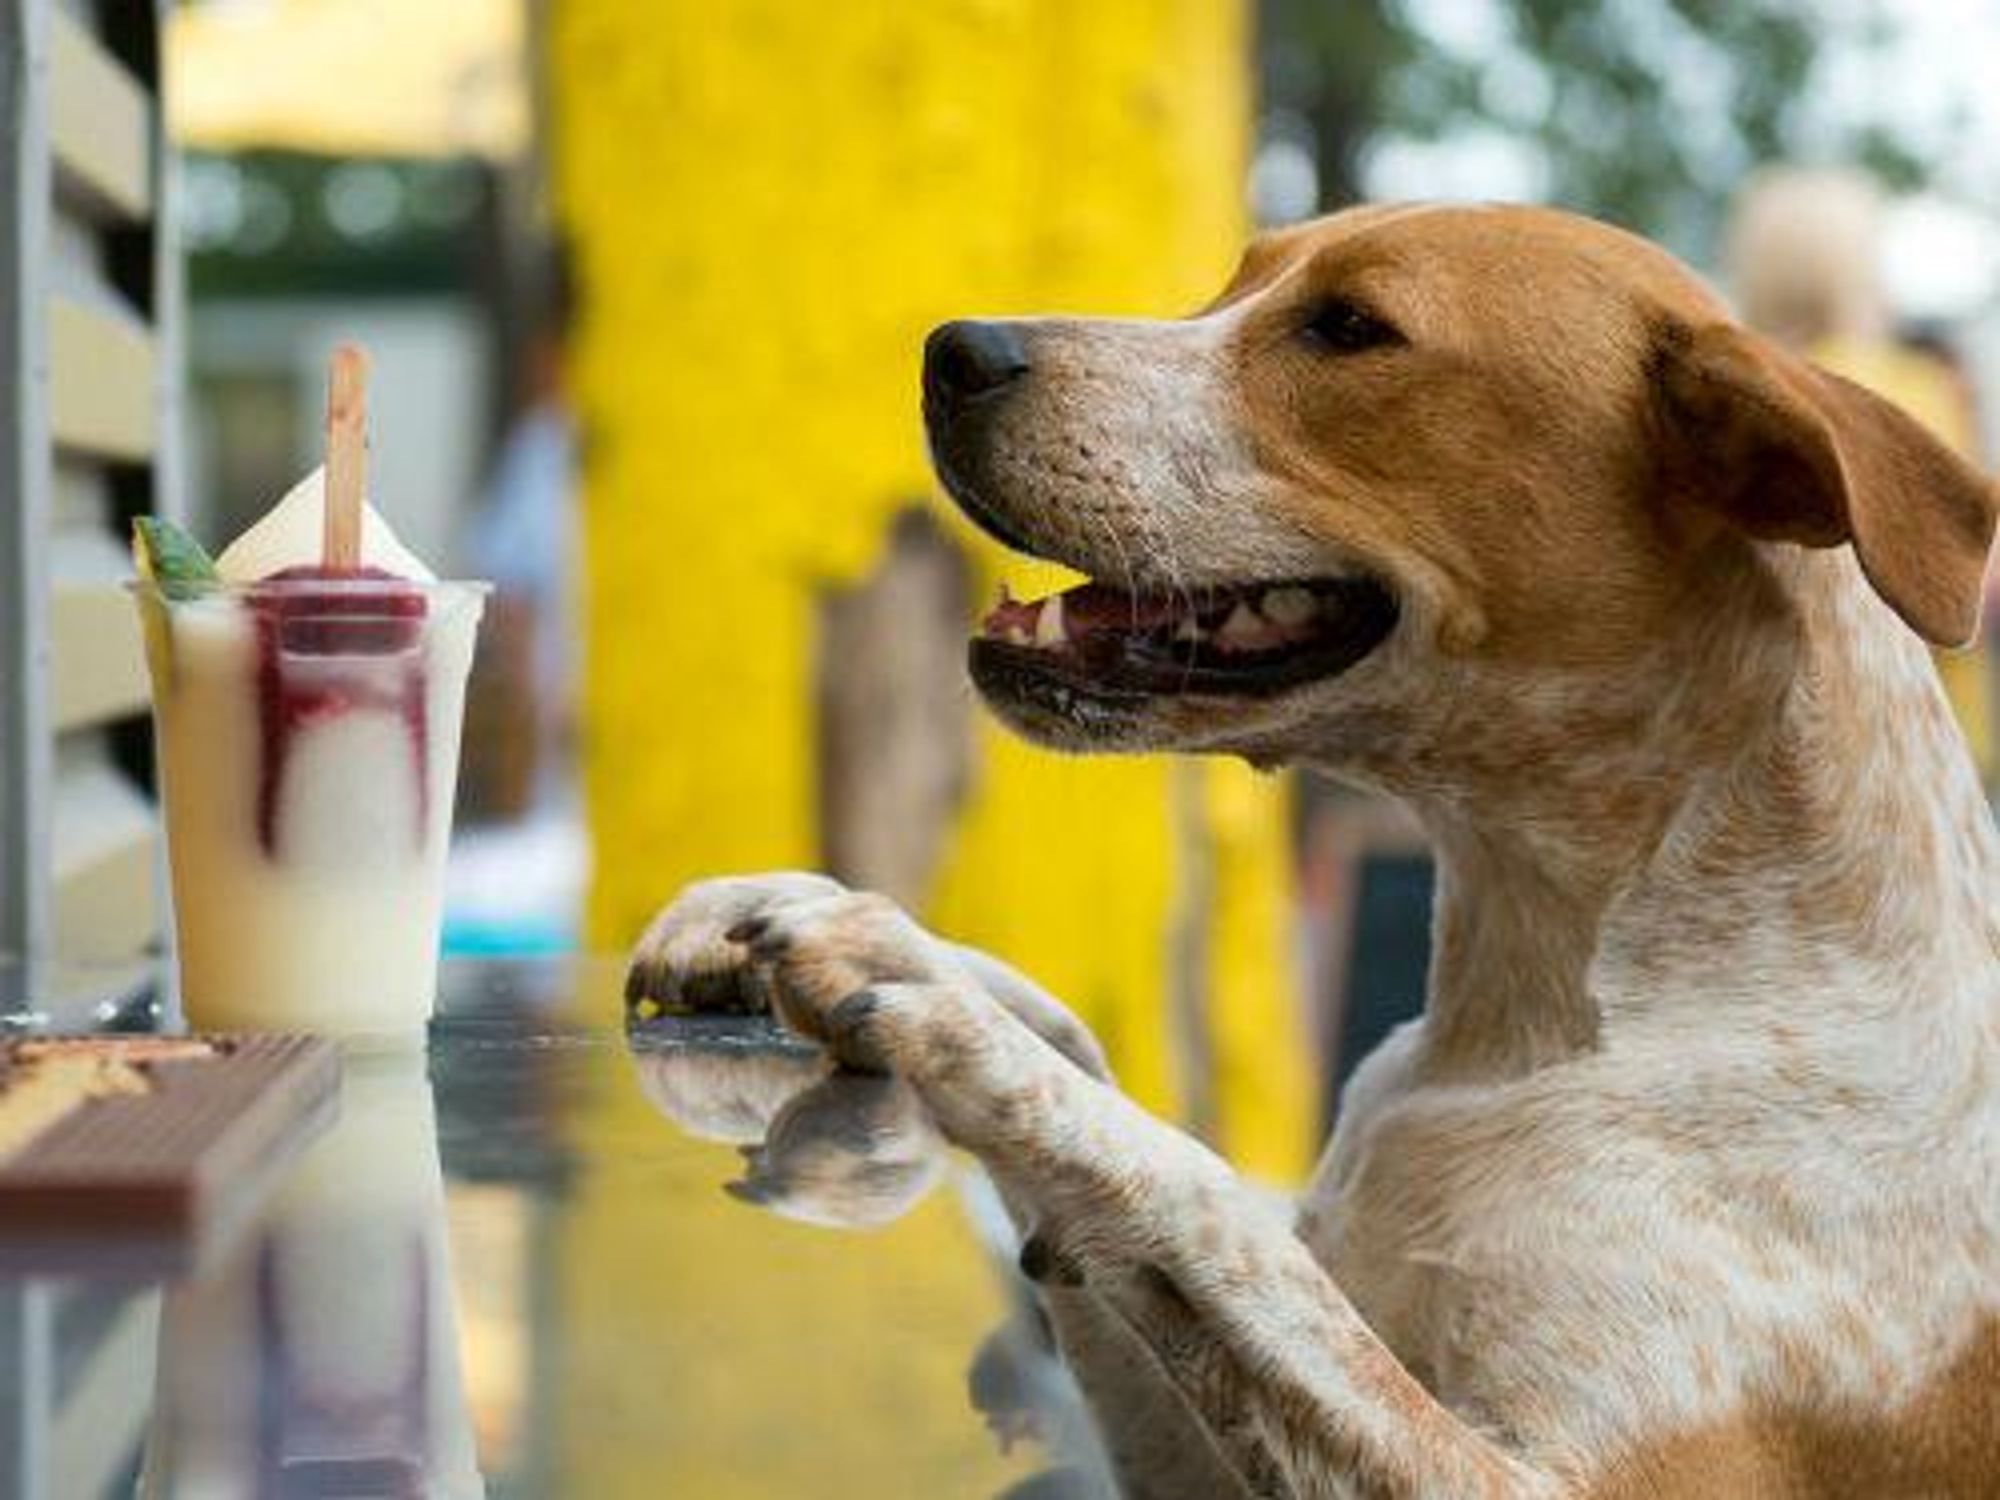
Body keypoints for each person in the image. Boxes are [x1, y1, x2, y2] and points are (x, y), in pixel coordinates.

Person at [1725, 166, 1995, 778]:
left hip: (1801, 755)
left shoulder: (1744, 405)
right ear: (1856, 271)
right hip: (1931, 746)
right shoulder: (1915, 387)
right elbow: (1975, 570)